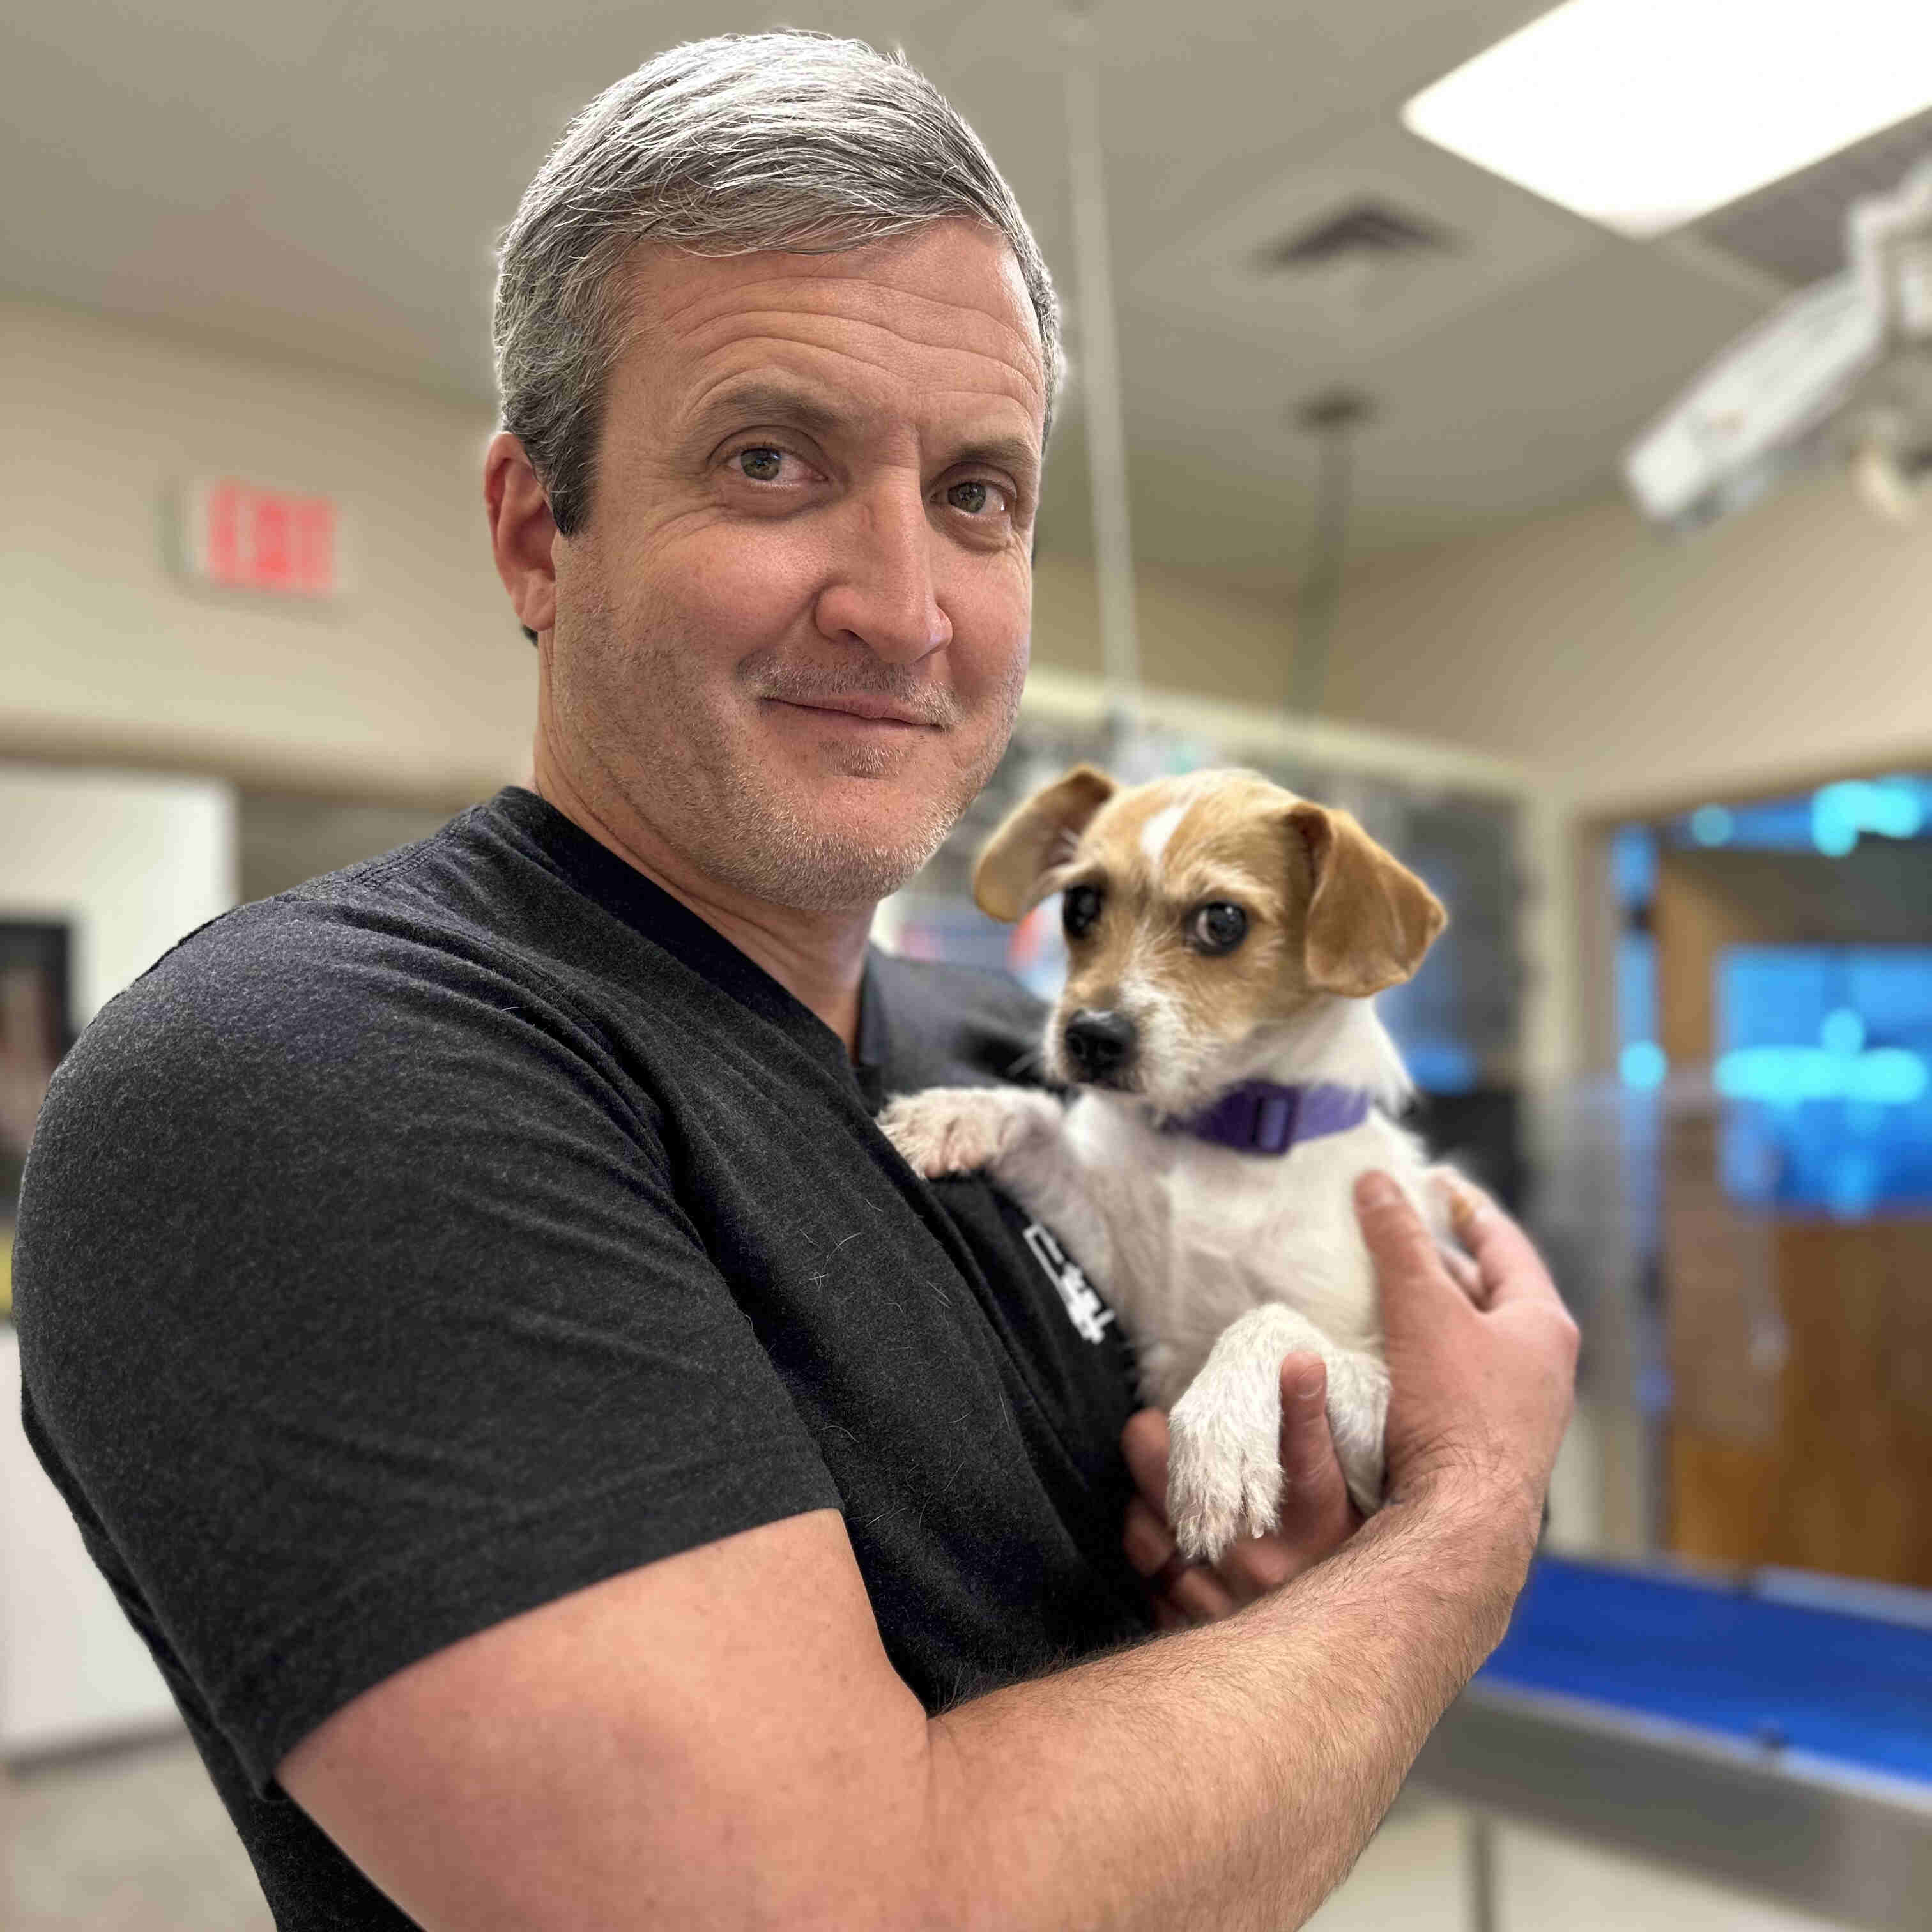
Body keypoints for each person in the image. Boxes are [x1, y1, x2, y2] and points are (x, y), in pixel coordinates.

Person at [14, 31, 1577, 1932]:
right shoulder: (314, 1077)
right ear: (537, 531)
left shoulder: (992, 1068)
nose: (905, 605)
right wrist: (1467, 1525)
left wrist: (1279, 1587)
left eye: (981, 495)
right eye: (773, 461)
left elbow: (1210, 1628)